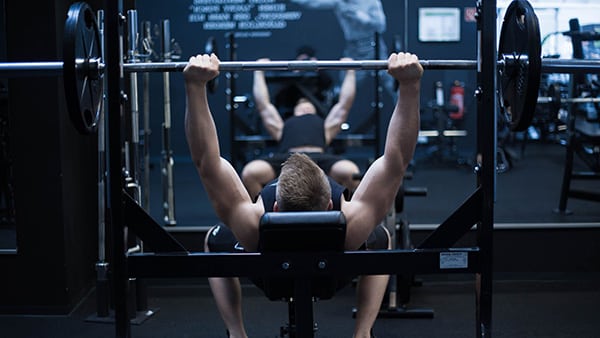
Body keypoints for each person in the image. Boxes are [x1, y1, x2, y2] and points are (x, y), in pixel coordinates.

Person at [183, 52, 423, 338]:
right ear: (333, 204)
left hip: (270, 273)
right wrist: (410, 86)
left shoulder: (250, 226)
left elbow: (206, 162)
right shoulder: (353, 225)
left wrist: (195, 87)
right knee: (380, 236)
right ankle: (362, 334)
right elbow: (396, 160)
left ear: (273, 205)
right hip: (332, 274)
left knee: (215, 239)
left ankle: (237, 333)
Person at [240, 55, 360, 200]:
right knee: (250, 173)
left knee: (351, 173)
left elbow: (344, 105)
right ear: (294, 111)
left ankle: (345, 216)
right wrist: (258, 72)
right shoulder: (281, 127)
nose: (305, 108)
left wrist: (350, 72)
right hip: (288, 159)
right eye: (301, 107)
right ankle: (262, 215)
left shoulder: (326, 127)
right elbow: (264, 106)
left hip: (320, 159)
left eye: (309, 107)